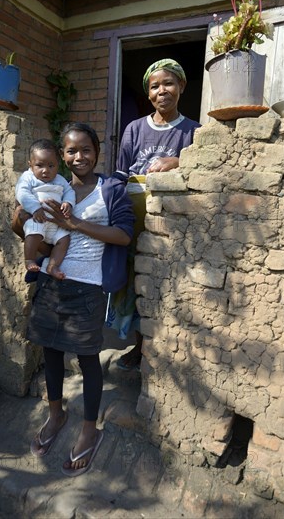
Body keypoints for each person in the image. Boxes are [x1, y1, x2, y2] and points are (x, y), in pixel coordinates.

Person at [13, 123, 135, 476]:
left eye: (85, 149)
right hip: (54, 280)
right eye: (70, 151)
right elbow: (38, 233)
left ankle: (88, 430)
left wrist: (77, 224)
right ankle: (56, 414)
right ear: (61, 156)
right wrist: (22, 221)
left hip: (89, 288)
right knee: (50, 351)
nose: (78, 156)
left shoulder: (110, 188)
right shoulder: (48, 187)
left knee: (87, 359)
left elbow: (124, 235)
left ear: (97, 152)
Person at [107, 58, 201, 371]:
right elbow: (120, 176)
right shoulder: (134, 129)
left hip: (168, 222)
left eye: (169, 83)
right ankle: (138, 345)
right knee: (133, 280)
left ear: (182, 87)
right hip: (132, 219)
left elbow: (201, 175)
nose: (163, 91)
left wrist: (178, 161)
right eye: (155, 86)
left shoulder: (193, 132)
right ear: (149, 94)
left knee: (161, 282)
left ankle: (159, 346)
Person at [15, 139, 76, 280]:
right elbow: (22, 193)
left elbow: (69, 191)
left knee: (64, 239)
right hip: (38, 218)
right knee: (33, 233)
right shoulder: (27, 178)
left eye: (51, 166)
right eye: (39, 165)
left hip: (56, 223)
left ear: (57, 165)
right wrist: (35, 209)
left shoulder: (60, 180)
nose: (45, 170)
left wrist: (68, 203)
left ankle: (53, 265)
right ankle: (30, 259)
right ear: (30, 165)